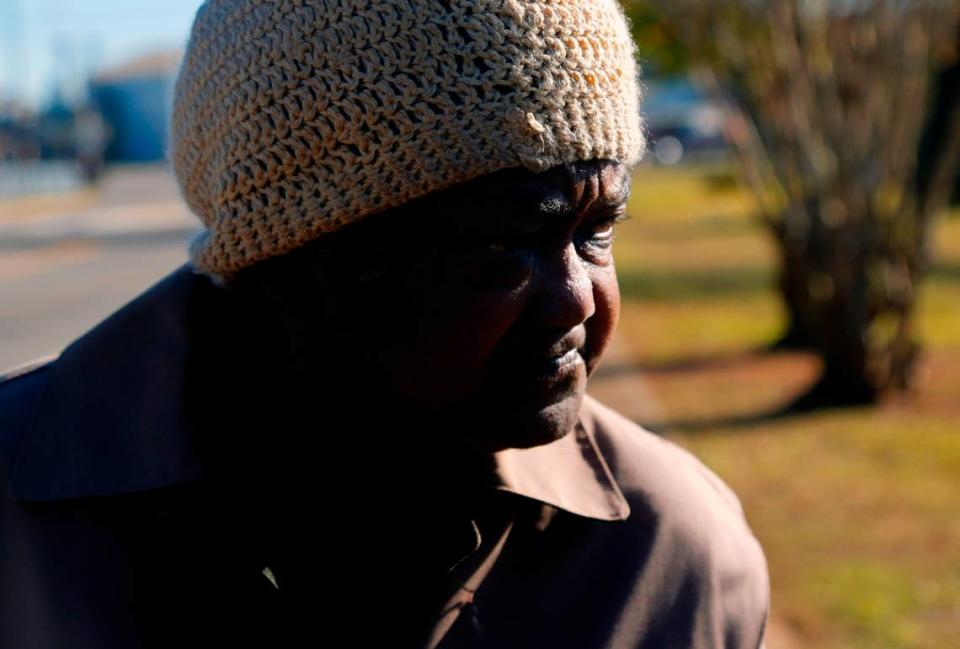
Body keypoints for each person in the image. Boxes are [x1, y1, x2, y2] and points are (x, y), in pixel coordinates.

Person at [0, 1, 770, 647]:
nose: (577, 298)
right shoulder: (23, 525)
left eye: (596, 231)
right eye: (504, 243)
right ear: (302, 261)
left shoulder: (669, 557)